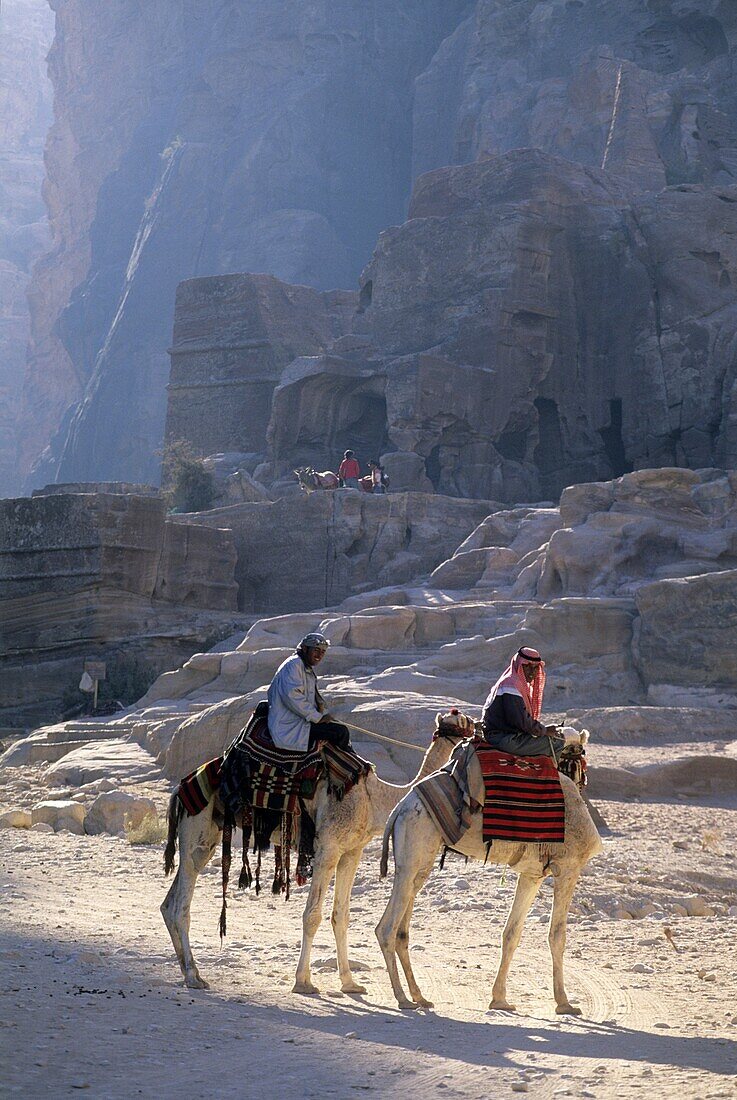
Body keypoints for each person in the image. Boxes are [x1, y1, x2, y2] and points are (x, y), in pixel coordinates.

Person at [267, 632, 351, 752]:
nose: (319, 655)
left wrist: (324, 715)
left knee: (337, 728)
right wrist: (317, 717)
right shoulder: (294, 664)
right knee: (340, 732)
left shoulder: (304, 667)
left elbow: (313, 699)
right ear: (305, 648)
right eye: (316, 650)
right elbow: (292, 696)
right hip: (289, 723)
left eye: (322, 652)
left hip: (300, 718)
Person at [482, 646, 563, 760]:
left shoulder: (514, 683)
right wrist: (544, 730)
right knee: (558, 743)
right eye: (527, 667)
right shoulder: (511, 685)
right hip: (504, 739)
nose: (532, 672)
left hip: (507, 735)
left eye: (535, 668)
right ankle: (547, 777)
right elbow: (520, 721)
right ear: (518, 665)